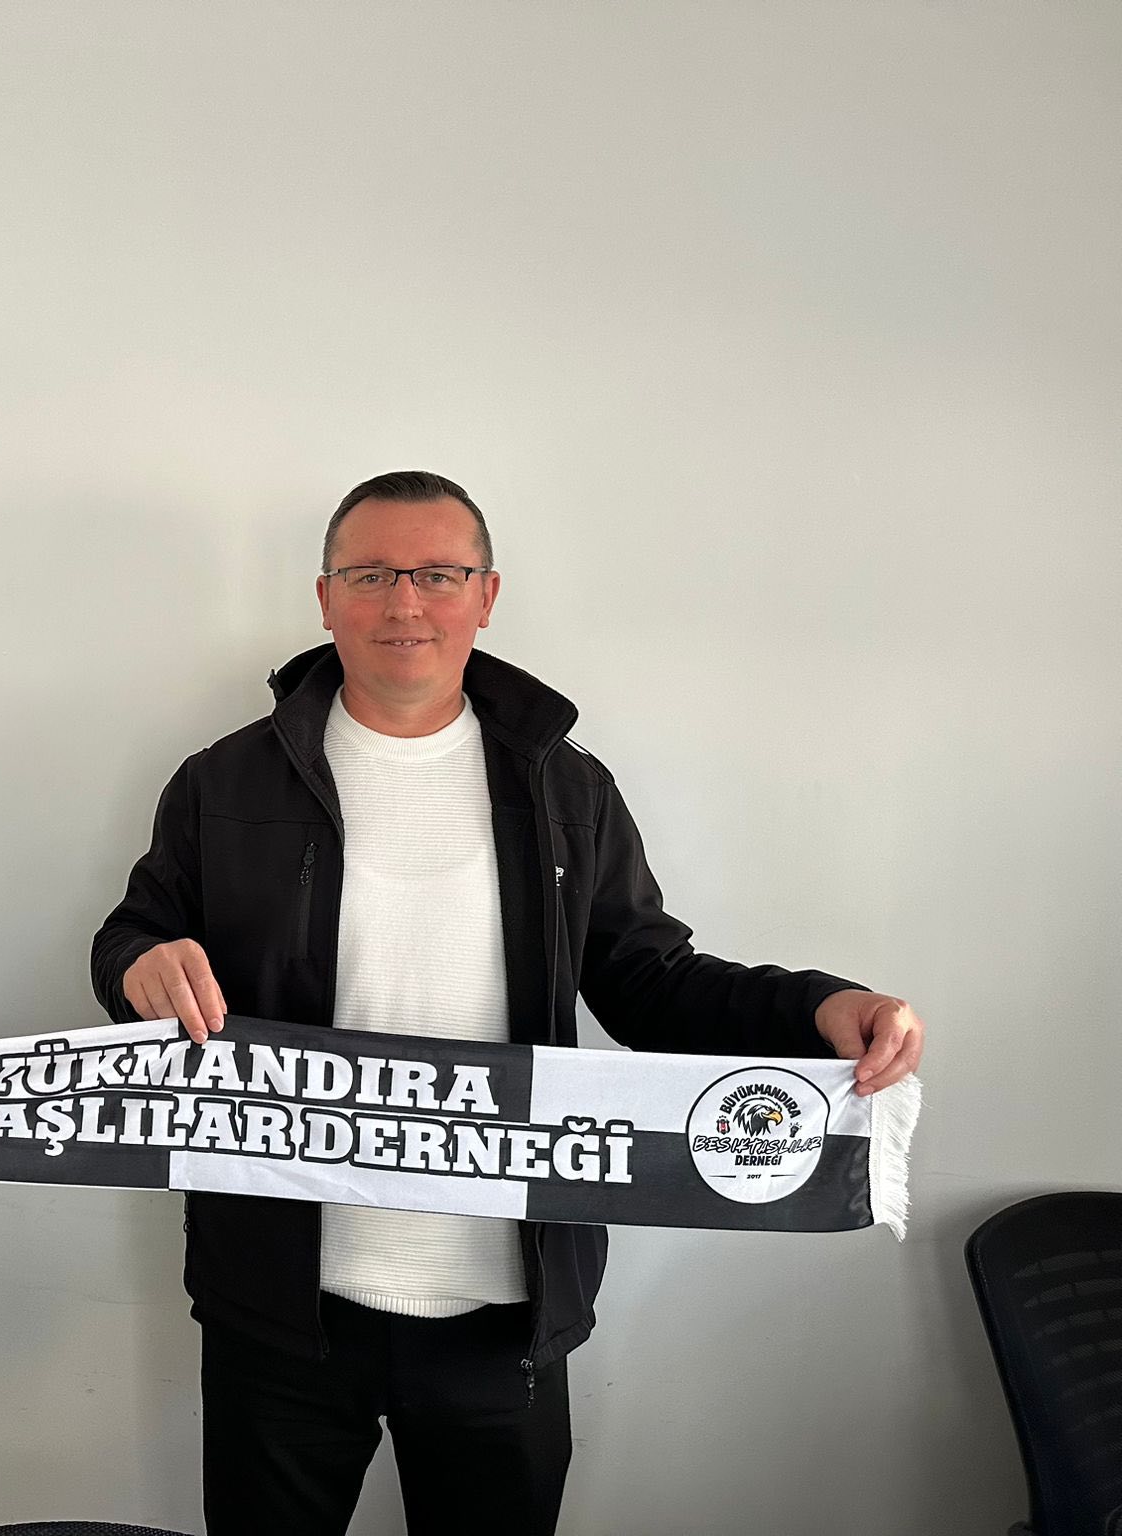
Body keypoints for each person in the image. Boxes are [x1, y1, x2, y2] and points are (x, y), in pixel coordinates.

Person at [89, 469, 924, 1536]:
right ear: (325, 597)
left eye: (437, 574)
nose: (403, 602)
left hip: (506, 1310)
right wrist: (138, 964)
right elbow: (130, 938)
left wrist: (818, 1009)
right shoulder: (221, 783)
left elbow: (650, 981)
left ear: (485, 596)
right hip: (278, 1306)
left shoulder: (566, 790)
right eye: (370, 574)